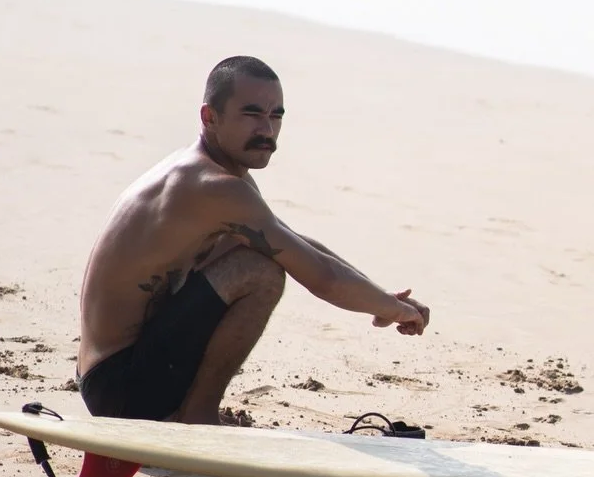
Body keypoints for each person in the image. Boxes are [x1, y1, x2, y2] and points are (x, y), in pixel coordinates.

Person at [76, 55, 429, 423]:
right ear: (210, 117)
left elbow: (296, 243)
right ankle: (196, 415)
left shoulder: (214, 175)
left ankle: (188, 410)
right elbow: (321, 277)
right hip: (121, 389)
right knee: (260, 273)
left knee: (262, 255)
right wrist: (397, 312)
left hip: (111, 377)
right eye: (252, 114)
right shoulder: (214, 187)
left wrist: (381, 298)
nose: (267, 129)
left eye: (276, 116)